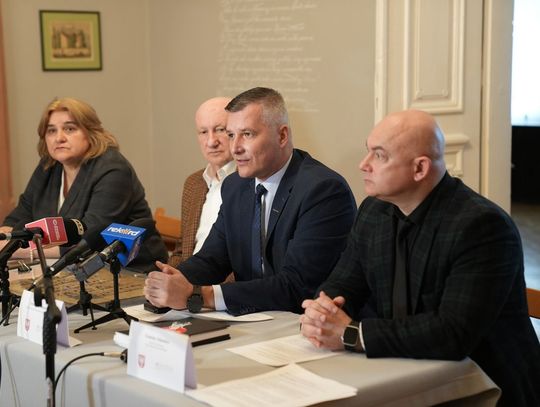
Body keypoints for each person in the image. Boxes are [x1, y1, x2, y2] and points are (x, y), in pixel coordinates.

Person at [299, 110, 540, 406]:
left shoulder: (482, 226)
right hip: (404, 368)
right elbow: (343, 283)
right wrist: (322, 312)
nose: (364, 164)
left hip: (485, 387)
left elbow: (453, 333)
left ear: (420, 168)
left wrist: (352, 334)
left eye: (379, 155)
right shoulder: (374, 211)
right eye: (367, 151)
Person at [144, 87, 356, 315]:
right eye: (231, 135)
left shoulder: (324, 190)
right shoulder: (235, 186)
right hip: (251, 319)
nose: (235, 148)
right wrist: (171, 281)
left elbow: (297, 286)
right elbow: (212, 259)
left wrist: (199, 295)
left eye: (247, 134)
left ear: (282, 136)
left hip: (301, 322)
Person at [0, 97, 167, 270]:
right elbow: (21, 214)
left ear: (90, 132)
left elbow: (89, 240)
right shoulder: (49, 166)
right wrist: (5, 235)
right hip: (71, 269)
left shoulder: (113, 168)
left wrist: (15, 250)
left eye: (69, 129)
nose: (59, 138)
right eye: (51, 131)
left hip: (131, 271)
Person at [168, 97, 236, 267]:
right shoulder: (193, 183)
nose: (211, 142)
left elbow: (248, 261)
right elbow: (182, 250)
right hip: (188, 278)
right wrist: (167, 274)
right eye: (203, 132)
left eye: (220, 130)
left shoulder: (253, 183)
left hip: (221, 282)